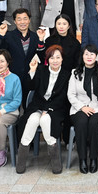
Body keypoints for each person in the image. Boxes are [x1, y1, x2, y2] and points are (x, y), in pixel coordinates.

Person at [16, 46, 70, 175]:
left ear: (62, 59)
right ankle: (21, 160)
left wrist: (48, 109)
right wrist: (32, 71)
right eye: (52, 58)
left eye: (58, 57)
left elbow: (63, 97)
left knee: (45, 120)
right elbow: (30, 87)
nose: (55, 61)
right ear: (47, 60)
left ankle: (55, 160)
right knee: (32, 120)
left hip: (56, 109)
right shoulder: (41, 70)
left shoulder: (67, 74)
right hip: (37, 106)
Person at [68, 45, 98, 173]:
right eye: (86, 54)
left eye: (92, 54)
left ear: (97, 56)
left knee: (94, 123)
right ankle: (82, 159)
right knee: (81, 122)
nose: (89, 57)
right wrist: (82, 107)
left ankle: (93, 158)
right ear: (82, 56)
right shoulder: (75, 73)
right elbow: (71, 94)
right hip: (79, 107)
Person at [0, 8, 43, 106]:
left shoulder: (35, 36)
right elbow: (0, 53)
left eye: (25, 18)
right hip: (12, 77)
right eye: (19, 19)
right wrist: (2, 35)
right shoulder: (8, 36)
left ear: (29, 20)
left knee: (28, 105)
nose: (22, 22)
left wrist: (41, 41)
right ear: (14, 21)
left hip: (30, 77)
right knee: (12, 106)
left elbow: (42, 58)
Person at [38, 14, 81, 78]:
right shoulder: (49, 40)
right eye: (59, 24)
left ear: (69, 26)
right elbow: (43, 58)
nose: (61, 27)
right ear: (55, 26)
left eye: (64, 24)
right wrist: (41, 40)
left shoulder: (75, 43)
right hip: (51, 75)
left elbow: (77, 63)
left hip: (69, 76)